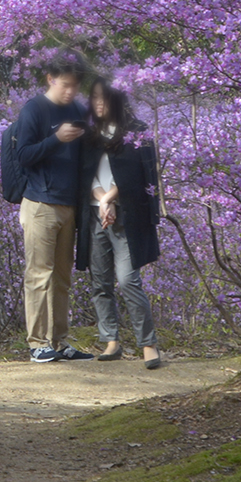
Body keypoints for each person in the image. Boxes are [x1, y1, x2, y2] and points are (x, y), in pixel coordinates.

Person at [11, 55, 97, 363]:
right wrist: (56, 139)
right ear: (50, 79)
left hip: (69, 205)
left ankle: (59, 342)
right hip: (39, 204)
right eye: (65, 85)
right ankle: (37, 344)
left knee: (62, 277)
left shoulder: (76, 110)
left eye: (75, 86)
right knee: (39, 275)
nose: (71, 92)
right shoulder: (35, 109)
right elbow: (23, 155)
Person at [82, 80, 163, 369]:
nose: (99, 103)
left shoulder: (137, 133)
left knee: (128, 281)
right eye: (94, 98)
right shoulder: (90, 135)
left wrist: (113, 199)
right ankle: (111, 341)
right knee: (100, 282)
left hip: (127, 217)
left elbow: (142, 177)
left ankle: (148, 344)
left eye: (104, 98)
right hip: (95, 215)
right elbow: (84, 174)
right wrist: (103, 200)